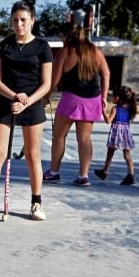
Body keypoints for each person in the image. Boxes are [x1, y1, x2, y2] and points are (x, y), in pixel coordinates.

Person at [0, 0, 53, 221]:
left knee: (32, 155)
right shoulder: (4, 46)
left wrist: (27, 101)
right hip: (6, 103)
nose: (19, 25)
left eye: (23, 20)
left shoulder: (42, 46)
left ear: (32, 21)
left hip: (33, 104)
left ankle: (36, 204)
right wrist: (13, 97)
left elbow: (46, 83)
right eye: (15, 20)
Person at [43, 22, 110, 186]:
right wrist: (104, 97)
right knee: (85, 138)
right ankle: (83, 176)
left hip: (71, 99)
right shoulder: (94, 51)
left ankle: (54, 172)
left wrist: (46, 97)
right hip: (92, 99)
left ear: (65, 36)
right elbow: (106, 73)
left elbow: (55, 80)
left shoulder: (65, 52)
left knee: (59, 136)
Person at [94, 85, 137, 185]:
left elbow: (108, 121)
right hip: (126, 134)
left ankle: (105, 172)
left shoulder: (115, 109)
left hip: (116, 134)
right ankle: (131, 175)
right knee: (127, 155)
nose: (112, 98)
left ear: (117, 98)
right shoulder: (130, 108)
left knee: (110, 153)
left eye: (113, 96)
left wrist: (102, 111)